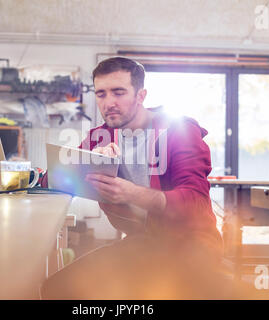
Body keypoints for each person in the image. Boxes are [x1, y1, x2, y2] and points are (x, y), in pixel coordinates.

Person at [40, 57, 231, 299]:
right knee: (56, 290)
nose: (109, 103)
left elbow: (194, 202)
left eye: (118, 92)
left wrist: (131, 193)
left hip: (192, 245)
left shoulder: (179, 131)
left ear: (141, 96)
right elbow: (50, 181)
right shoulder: (100, 137)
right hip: (145, 243)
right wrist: (85, 160)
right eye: (101, 94)